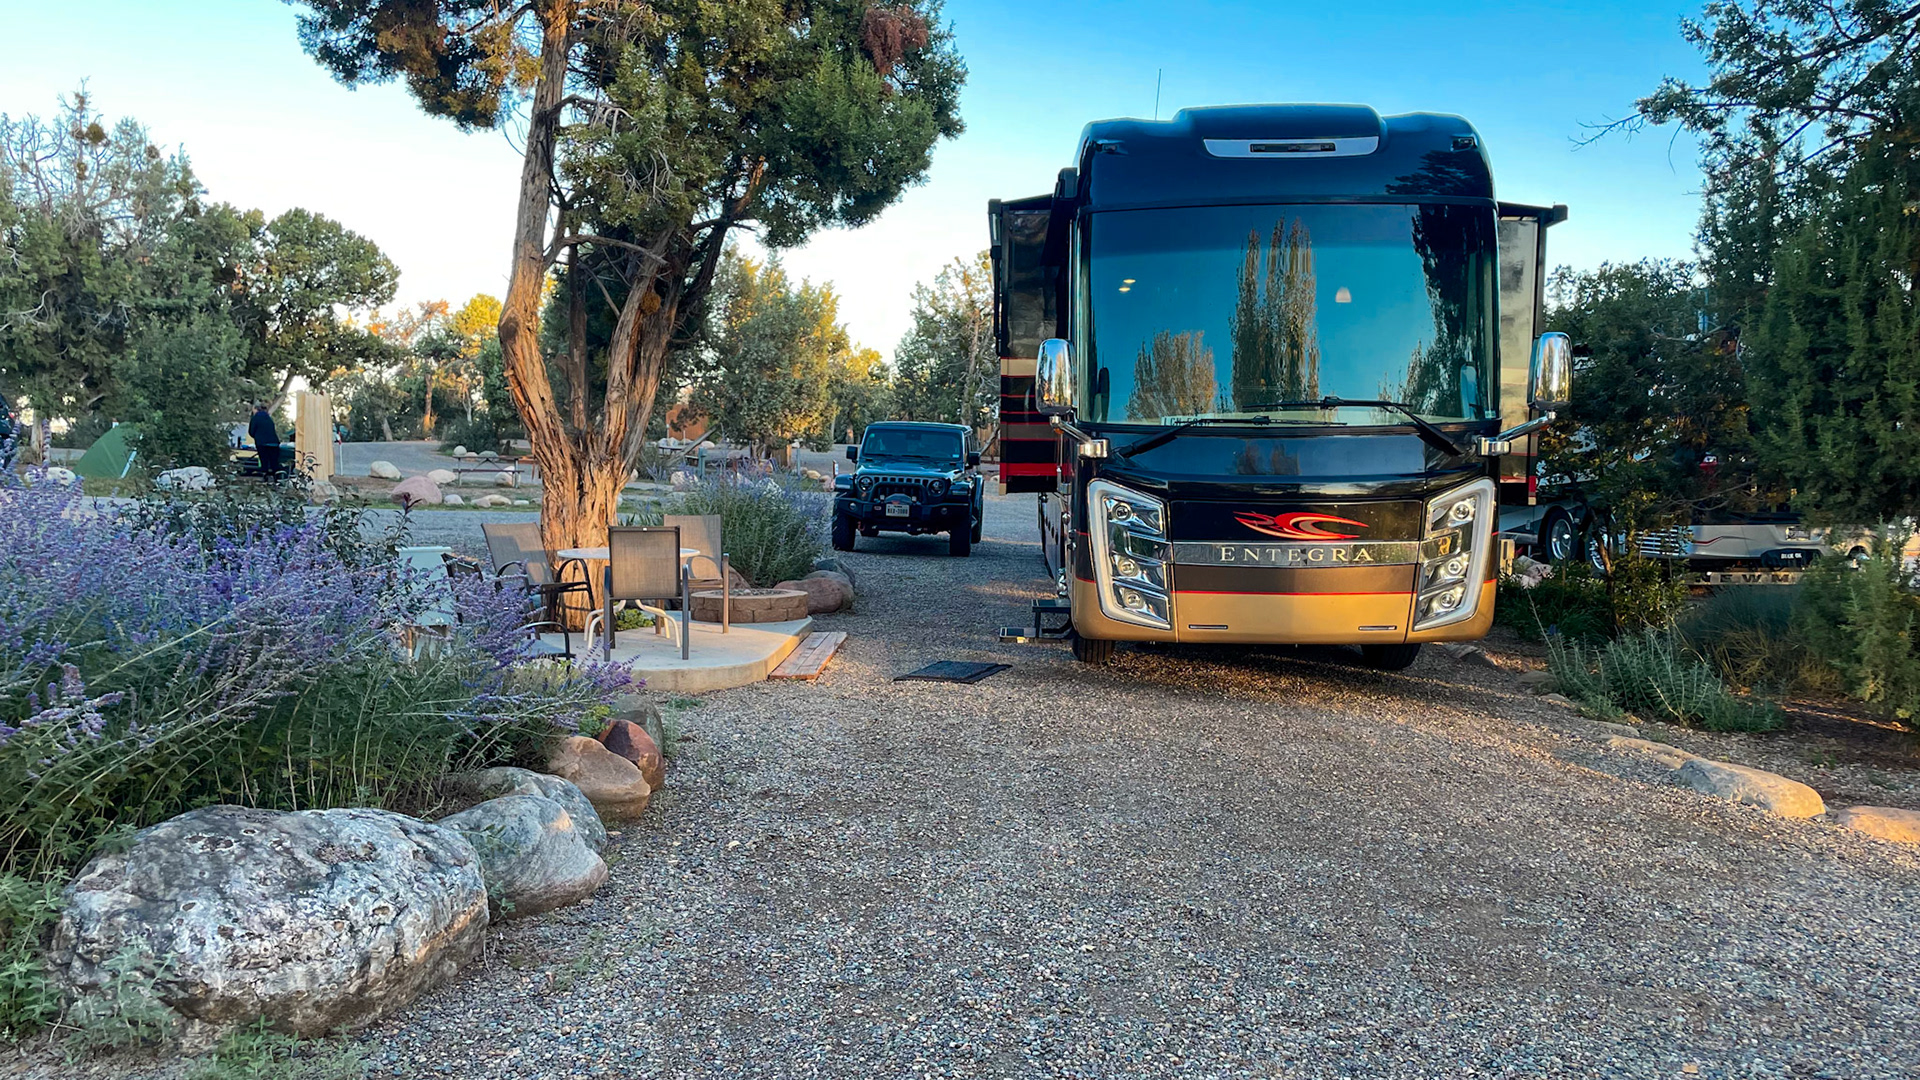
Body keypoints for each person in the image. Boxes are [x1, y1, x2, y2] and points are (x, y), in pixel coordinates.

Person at [249, 402, 280, 477]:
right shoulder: (269, 418)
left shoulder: (255, 418)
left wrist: (257, 437)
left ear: (256, 409)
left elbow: (251, 431)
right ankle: (277, 479)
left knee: (264, 462)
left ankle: (265, 479)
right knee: (274, 463)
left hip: (262, 443)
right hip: (274, 443)